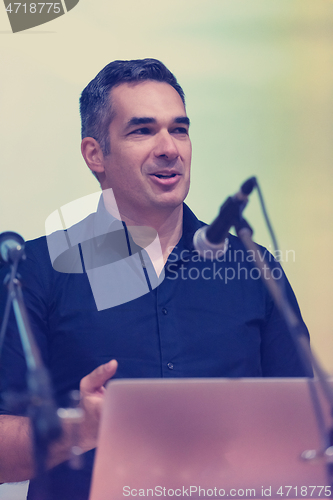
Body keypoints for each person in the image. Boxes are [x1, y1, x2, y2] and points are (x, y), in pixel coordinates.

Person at [0, 59, 311, 500]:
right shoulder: (34, 268)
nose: (169, 148)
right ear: (95, 154)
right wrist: (76, 430)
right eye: (142, 130)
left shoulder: (254, 269)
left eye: (179, 129)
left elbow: (305, 425)